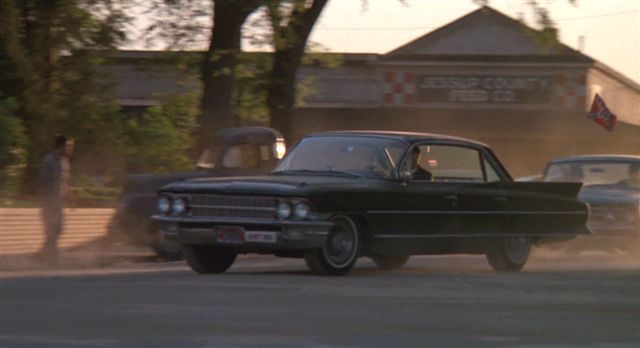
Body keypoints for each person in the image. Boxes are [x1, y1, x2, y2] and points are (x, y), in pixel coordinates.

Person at [35, 134, 74, 264]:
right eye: (68, 146)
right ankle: (50, 258)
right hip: (49, 202)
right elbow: (43, 183)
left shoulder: (64, 162)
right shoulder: (48, 161)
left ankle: (42, 255)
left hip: (59, 202)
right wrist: (45, 203)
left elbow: (65, 182)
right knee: (52, 230)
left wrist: (69, 196)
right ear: (61, 145)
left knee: (59, 229)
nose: (70, 149)